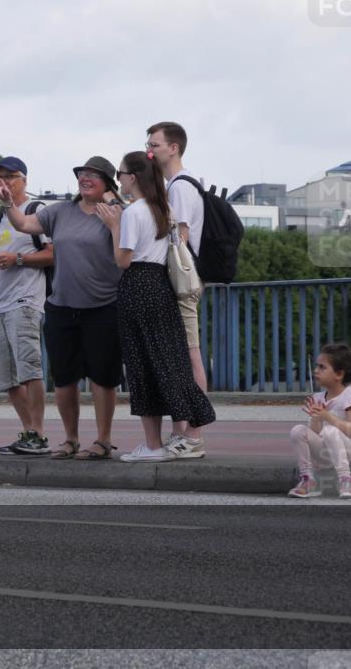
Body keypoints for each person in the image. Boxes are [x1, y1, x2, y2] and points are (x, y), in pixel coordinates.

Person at [0, 156, 123, 461]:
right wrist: (6, 204)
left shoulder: (117, 213)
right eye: (82, 174)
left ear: (107, 182)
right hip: (62, 306)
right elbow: (24, 224)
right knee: (65, 380)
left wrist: (115, 218)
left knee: (102, 379)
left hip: (103, 306)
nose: (86, 178)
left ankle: (103, 440)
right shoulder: (62, 211)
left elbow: (126, 254)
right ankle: (70, 439)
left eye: (94, 175)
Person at [94, 152, 215, 462]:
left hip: (137, 286)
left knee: (142, 365)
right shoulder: (165, 208)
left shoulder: (134, 212)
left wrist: (113, 226)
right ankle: (186, 431)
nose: (118, 179)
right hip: (161, 286)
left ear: (133, 177)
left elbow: (123, 260)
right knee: (169, 360)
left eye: (120, 173)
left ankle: (152, 444)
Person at [0, 156, 53, 455]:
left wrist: (19, 259)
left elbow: (53, 254)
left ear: (24, 180)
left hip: (25, 300)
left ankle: (39, 433)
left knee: (29, 369)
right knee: (6, 377)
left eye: (11, 176)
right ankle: (28, 431)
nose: (4, 182)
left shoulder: (36, 211)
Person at [147, 121, 209, 459]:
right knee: (181, 356)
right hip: (181, 280)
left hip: (181, 282)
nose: (150, 150)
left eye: (155, 144)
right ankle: (181, 430)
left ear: (174, 147)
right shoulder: (176, 185)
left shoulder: (181, 188)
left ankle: (195, 433)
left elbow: (179, 238)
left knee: (190, 353)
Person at [289, 344, 351, 499]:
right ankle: (308, 479)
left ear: (339, 374)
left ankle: (346, 479)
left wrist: (327, 416)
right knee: (298, 431)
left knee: (331, 431)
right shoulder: (318, 398)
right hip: (329, 449)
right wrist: (316, 417)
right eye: (316, 366)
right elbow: (316, 434)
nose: (316, 370)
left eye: (322, 367)